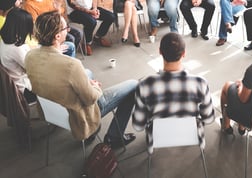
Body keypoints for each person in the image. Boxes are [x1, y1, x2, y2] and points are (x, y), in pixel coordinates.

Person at [25, 10, 138, 148]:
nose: (69, 29)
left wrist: (85, 80)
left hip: (53, 111)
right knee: (134, 85)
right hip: (78, 116)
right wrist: (95, 86)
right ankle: (114, 137)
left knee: (87, 72)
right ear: (57, 36)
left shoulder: (30, 56)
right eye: (66, 27)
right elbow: (90, 99)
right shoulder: (72, 65)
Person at [132, 32, 215, 153]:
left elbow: (138, 126)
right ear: (184, 54)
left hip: (157, 139)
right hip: (192, 136)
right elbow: (208, 119)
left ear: (160, 52)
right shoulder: (200, 83)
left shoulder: (144, 85)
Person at [0, 7, 36, 103]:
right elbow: (33, 70)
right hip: (23, 90)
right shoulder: (16, 49)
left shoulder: (4, 41)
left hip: (13, 85)